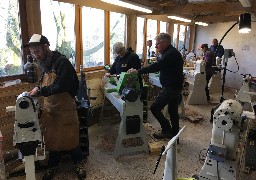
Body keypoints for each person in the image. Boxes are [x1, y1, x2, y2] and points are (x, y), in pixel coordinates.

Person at [24, 34, 86, 180]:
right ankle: (53, 166)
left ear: (46, 47)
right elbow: (44, 83)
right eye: (33, 53)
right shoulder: (45, 64)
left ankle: (78, 163)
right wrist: (36, 89)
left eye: (37, 51)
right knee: (53, 140)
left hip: (65, 109)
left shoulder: (61, 62)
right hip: (51, 109)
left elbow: (62, 85)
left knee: (71, 138)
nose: (35, 55)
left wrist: (41, 91)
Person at [127, 33, 184, 140]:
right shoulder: (169, 52)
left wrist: (138, 71)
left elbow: (158, 66)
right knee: (172, 112)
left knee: (154, 108)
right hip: (174, 86)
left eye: (157, 44)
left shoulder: (171, 54)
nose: (156, 46)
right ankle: (175, 135)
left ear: (164, 43)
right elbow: (161, 65)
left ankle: (167, 130)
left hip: (171, 87)